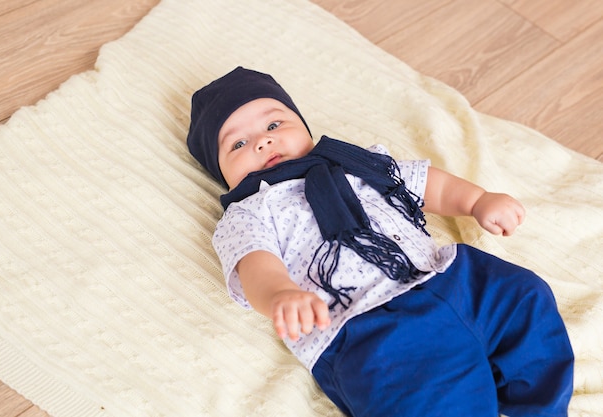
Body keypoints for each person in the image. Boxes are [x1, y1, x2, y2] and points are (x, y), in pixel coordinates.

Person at [186, 66, 574, 417]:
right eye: (237, 144)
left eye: (274, 125)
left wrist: (476, 201)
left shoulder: (358, 161)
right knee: (431, 394)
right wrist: (279, 294)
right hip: (367, 326)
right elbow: (255, 264)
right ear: (222, 174)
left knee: (525, 297)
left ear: (303, 125)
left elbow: (424, 184)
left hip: (449, 276)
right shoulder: (249, 211)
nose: (261, 143)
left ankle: (540, 407)